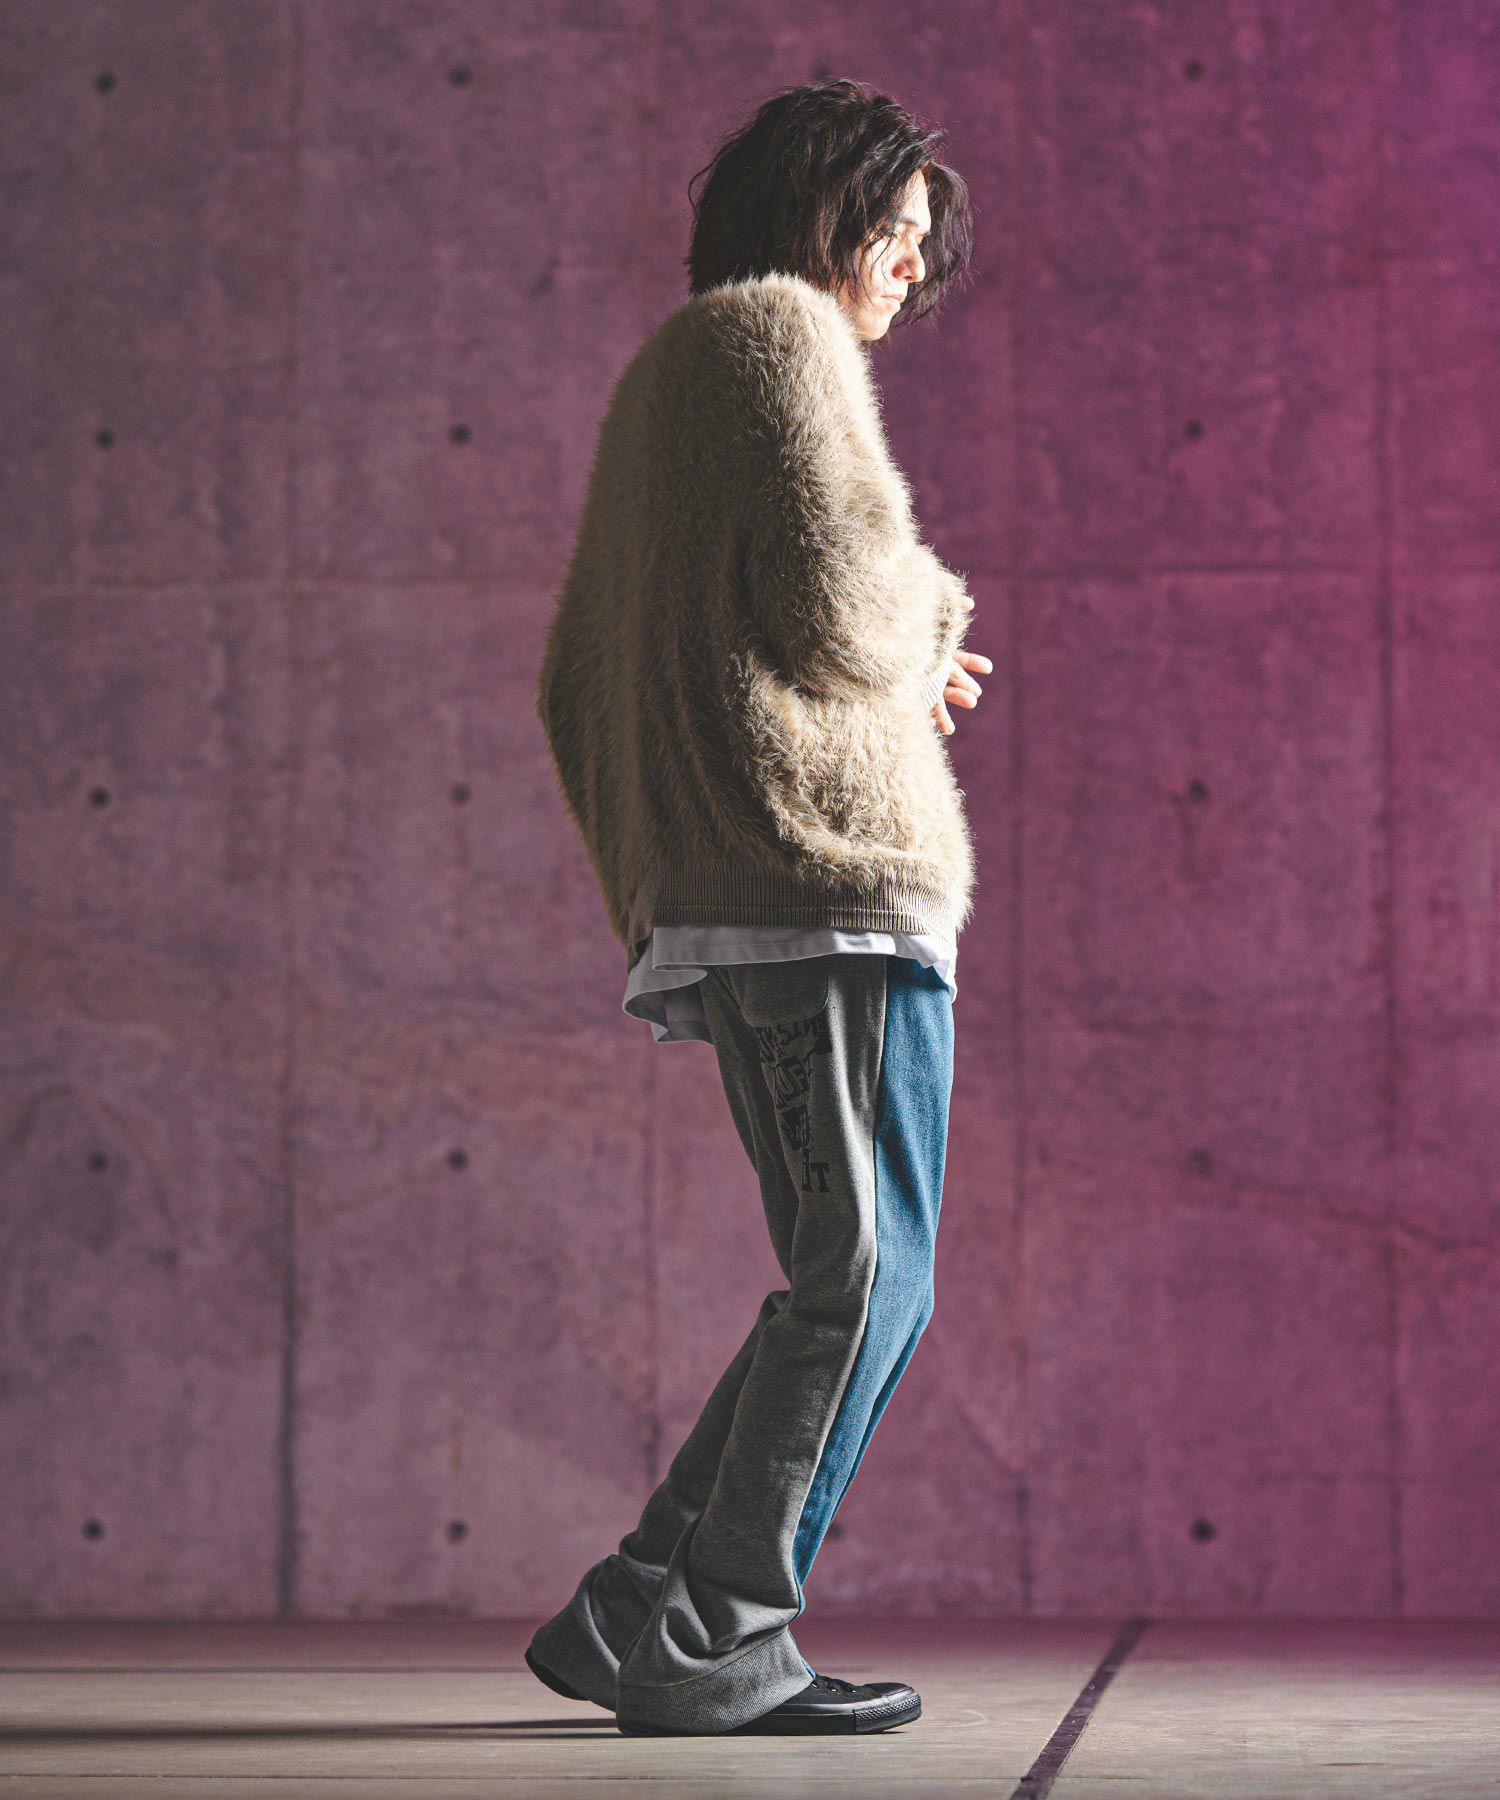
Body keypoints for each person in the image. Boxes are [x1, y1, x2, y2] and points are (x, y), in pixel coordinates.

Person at [529, 77, 993, 1738]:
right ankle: (719, 1636)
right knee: (869, 1281)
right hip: (827, 896)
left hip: (744, 899)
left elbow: (574, 682)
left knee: (834, 1274)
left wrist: (668, 888)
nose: (909, 272)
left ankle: (633, 1612)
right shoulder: (782, 340)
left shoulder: (671, 378)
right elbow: (845, 607)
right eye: (897, 233)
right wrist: (929, 636)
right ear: (826, 214)